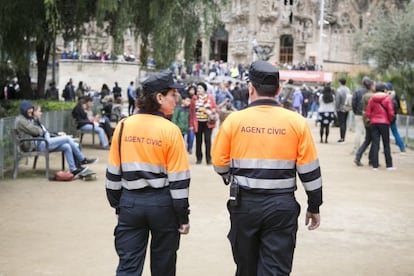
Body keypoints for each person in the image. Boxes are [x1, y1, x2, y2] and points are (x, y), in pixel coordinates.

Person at [211, 60, 323, 276]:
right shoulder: (297, 122)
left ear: (250, 88)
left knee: (245, 268)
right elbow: (310, 171)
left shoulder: (234, 121)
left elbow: (219, 163)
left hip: (244, 204)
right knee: (276, 270)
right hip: (281, 205)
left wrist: (229, 176)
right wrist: (314, 205)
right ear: (279, 90)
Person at [105, 70, 190, 276]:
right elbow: (179, 182)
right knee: (163, 266)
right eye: (172, 94)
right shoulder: (171, 131)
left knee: (128, 266)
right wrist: (183, 217)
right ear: (159, 98)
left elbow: (113, 174)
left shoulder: (124, 126)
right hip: (163, 204)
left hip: (130, 202)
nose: (176, 99)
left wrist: (120, 204)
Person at [14, 101, 97, 176]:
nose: (31, 112)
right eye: (30, 110)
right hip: (37, 144)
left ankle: (73, 169)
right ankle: (82, 159)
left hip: (41, 142)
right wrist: (41, 131)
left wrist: (41, 131)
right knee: (67, 139)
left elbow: (40, 131)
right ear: (24, 110)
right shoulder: (21, 121)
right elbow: (37, 131)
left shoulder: (26, 119)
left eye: (31, 110)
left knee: (67, 146)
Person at [366, 83, 395, 170]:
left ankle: (375, 165)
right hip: (384, 123)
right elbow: (391, 112)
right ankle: (389, 165)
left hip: (374, 123)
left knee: (375, 143)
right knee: (386, 144)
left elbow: (368, 112)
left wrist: (371, 119)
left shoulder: (372, 99)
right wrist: (389, 120)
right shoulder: (387, 99)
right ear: (384, 90)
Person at [189, 82, 217, 165]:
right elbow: (191, 112)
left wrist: (212, 112)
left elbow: (214, 108)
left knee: (207, 141)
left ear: (204, 89)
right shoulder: (194, 98)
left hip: (208, 122)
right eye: (197, 88)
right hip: (198, 122)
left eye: (200, 88)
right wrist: (191, 124)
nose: (198, 90)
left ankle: (209, 159)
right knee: (198, 141)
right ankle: (199, 158)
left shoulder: (210, 98)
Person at [354, 79, 376, 166]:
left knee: (367, 139)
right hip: (372, 119)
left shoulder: (363, 95)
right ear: (370, 86)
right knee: (374, 140)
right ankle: (371, 159)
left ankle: (358, 156)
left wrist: (356, 111)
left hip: (364, 118)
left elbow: (355, 102)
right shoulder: (373, 96)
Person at [385, 82, 406, 153]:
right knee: (395, 132)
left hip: (386, 117)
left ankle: (386, 149)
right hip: (393, 117)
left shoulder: (385, 95)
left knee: (385, 133)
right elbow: (400, 106)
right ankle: (402, 147)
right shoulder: (396, 95)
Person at [335, 77, 351, 143]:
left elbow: (337, 100)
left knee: (341, 123)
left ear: (340, 82)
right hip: (347, 108)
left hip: (341, 108)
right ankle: (343, 137)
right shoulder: (348, 89)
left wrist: (337, 108)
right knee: (344, 122)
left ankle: (342, 137)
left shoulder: (339, 90)